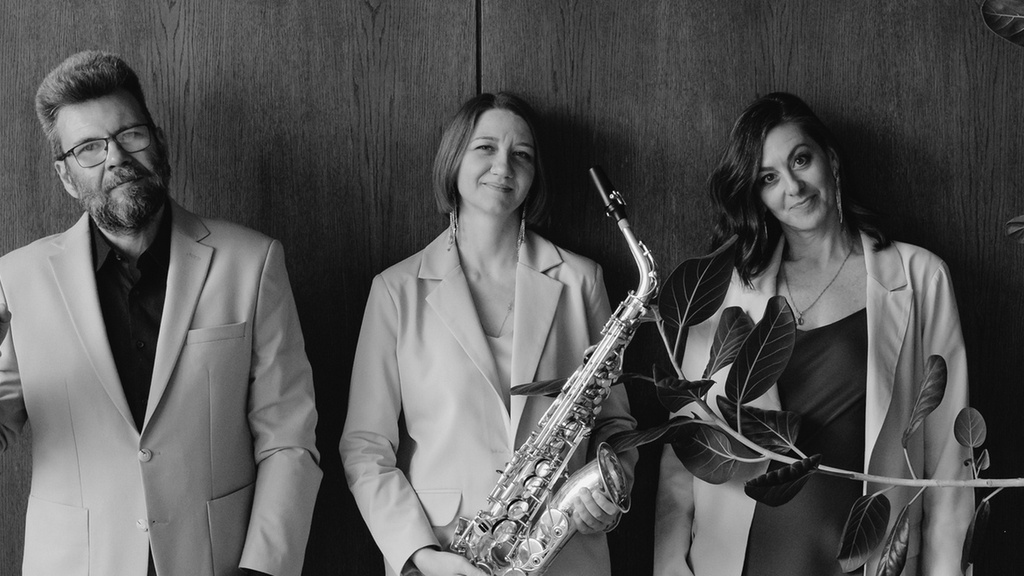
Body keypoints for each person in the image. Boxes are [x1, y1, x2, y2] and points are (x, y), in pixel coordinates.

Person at [0, 51, 321, 576]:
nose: (116, 158)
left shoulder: (252, 262)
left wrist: (263, 569)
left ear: (160, 143)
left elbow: (289, 438)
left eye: (130, 134)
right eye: (88, 148)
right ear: (66, 176)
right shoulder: (16, 280)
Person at [653, 92, 973, 576]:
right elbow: (686, 452)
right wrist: (671, 567)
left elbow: (951, 460)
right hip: (742, 559)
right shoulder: (725, 294)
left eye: (801, 160)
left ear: (832, 161)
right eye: (769, 178)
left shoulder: (919, 277)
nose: (793, 187)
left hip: (869, 559)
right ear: (757, 195)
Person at [339, 92, 637, 576]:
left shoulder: (582, 280)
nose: (504, 166)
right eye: (485, 148)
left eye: (522, 154)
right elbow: (365, 447)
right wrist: (420, 556)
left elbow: (616, 426)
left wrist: (608, 487)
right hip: (445, 558)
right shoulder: (395, 291)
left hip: (566, 555)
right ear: (453, 159)